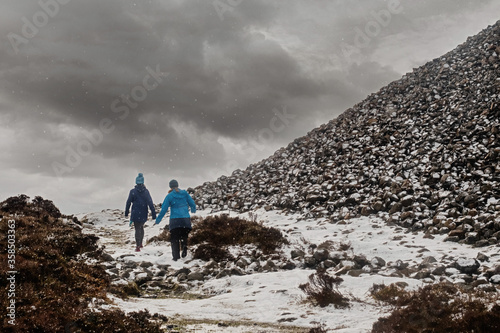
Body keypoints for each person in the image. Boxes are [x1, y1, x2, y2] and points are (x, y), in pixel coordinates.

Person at [155, 179, 196, 261]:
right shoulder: (185, 194)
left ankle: (176, 257)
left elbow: (164, 209)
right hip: (185, 220)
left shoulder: (169, 196)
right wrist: (193, 210)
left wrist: (158, 220)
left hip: (175, 221)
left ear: (170, 186)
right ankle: (184, 245)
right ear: (177, 185)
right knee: (184, 235)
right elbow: (192, 203)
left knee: (174, 239)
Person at [125, 173, 156, 252]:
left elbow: (128, 202)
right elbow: (150, 202)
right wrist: (153, 213)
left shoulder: (133, 191)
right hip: (143, 212)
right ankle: (141, 243)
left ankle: (137, 246)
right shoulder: (146, 192)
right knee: (141, 227)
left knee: (137, 228)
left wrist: (126, 212)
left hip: (135, 212)